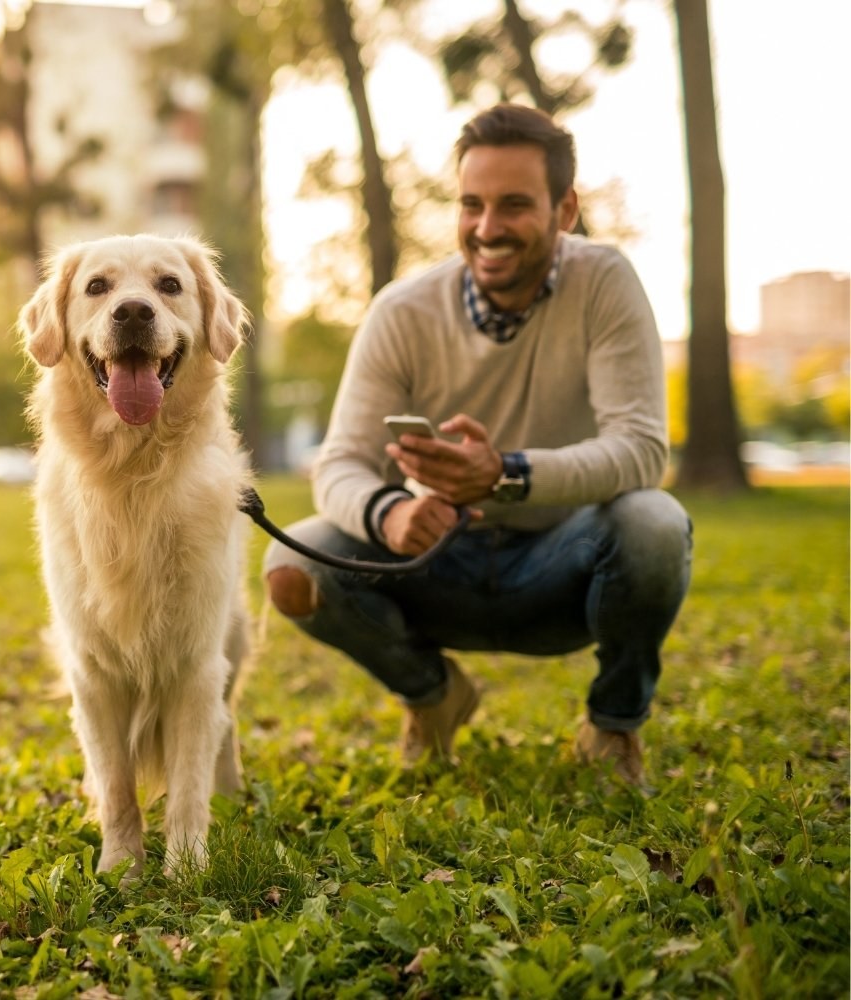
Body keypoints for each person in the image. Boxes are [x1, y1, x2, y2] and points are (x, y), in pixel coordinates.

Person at [262, 103, 692, 788]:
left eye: (515, 205)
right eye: (471, 204)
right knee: (292, 564)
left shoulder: (604, 283)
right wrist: (390, 514)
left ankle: (612, 728)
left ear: (565, 209)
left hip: (566, 567)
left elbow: (642, 450)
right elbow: (339, 462)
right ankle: (433, 698)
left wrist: (506, 473)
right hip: (437, 566)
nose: (487, 229)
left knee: (656, 525)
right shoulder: (402, 311)